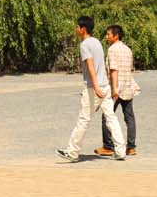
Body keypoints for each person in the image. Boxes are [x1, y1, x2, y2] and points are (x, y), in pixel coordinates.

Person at [59, 16, 125, 162]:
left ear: (83, 29)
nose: (75, 29)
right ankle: (120, 151)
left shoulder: (84, 45)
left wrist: (95, 87)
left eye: (77, 26)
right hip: (105, 86)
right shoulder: (97, 42)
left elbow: (90, 66)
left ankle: (72, 152)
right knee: (111, 118)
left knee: (84, 119)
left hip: (93, 88)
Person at [98, 24, 138, 159]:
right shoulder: (128, 50)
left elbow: (113, 70)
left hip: (115, 88)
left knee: (107, 116)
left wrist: (114, 88)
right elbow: (130, 69)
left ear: (116, 36)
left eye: (108, 34)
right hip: (128, 86)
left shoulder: (112, 50)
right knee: (129, 117)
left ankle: (108, 146)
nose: (107, 37)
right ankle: (131, 147)